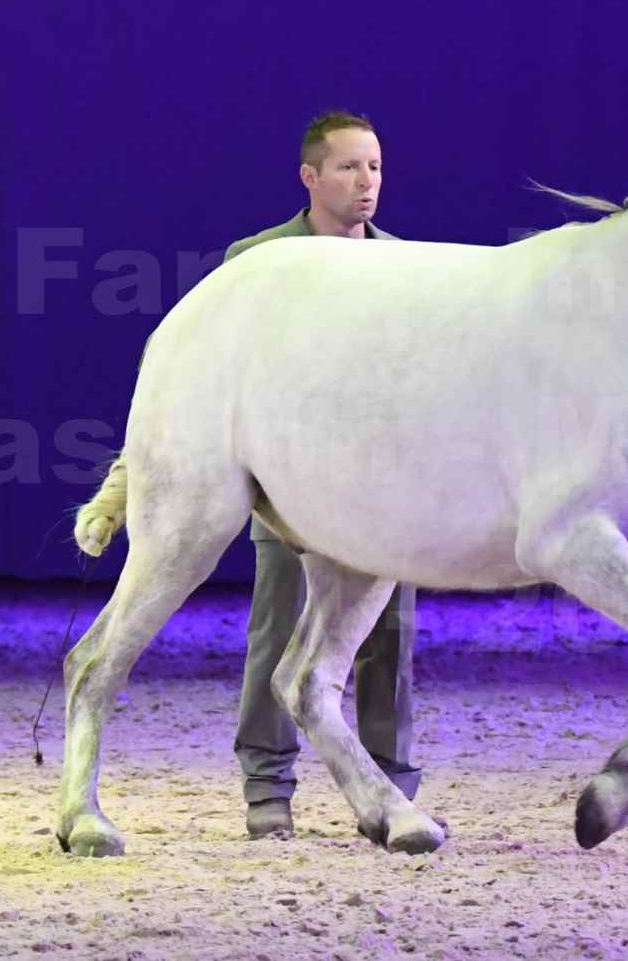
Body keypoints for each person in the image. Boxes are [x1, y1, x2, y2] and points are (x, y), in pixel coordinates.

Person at [223, 111, 421, 840]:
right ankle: (268, 784)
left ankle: (390, 782)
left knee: (387, 634)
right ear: (310, 176)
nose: (366, 182)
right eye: (348, 167)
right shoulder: (259, 260)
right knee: (281, 629)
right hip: (291, 486)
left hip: (383, 487)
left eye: (373, 166)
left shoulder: (407, 264)